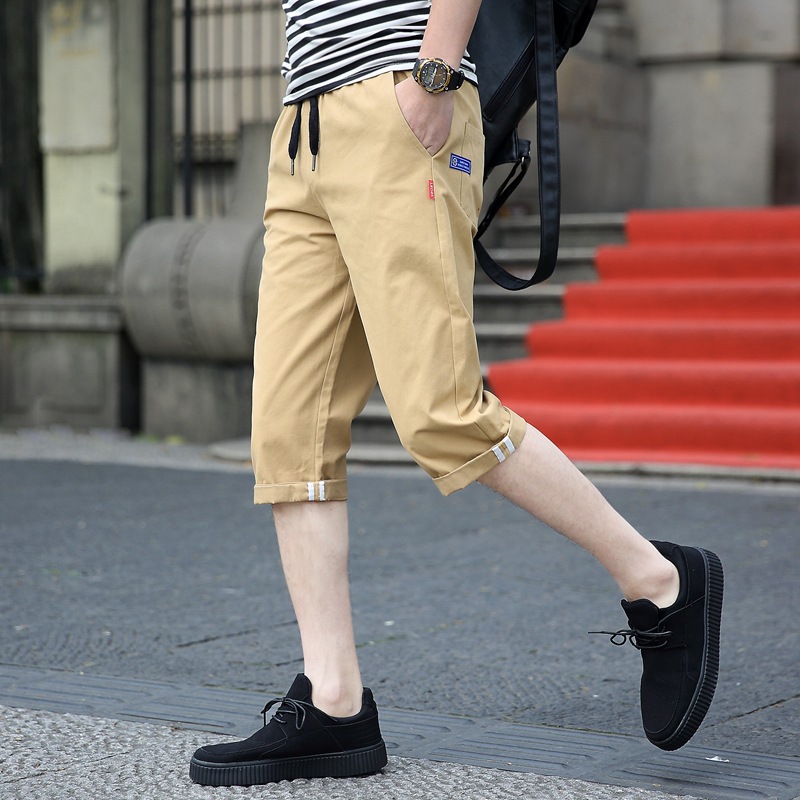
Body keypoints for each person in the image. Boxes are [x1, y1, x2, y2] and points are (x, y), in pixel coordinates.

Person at [189, 0, 724, 787]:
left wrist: (434, 77)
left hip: (399, 98)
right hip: (302, 123)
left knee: (441, 411)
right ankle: (335, 701)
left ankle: (658, 580)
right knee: (288, 431)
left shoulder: (422, 88)